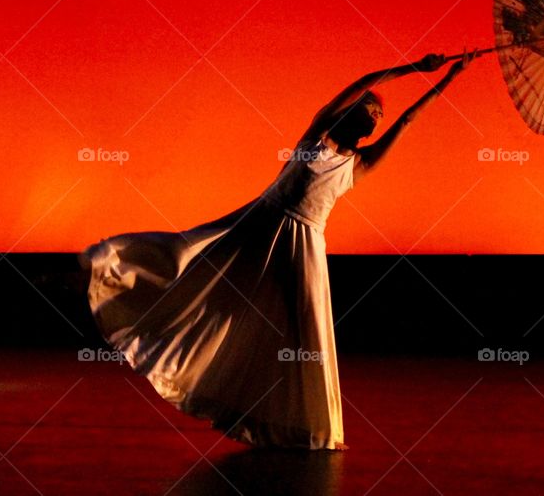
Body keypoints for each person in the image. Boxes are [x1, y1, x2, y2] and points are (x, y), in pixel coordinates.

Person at [79, 49, 479, 450]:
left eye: (379, 116)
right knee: (195, 264)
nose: (376, 117)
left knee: (306, 329)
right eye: (371, 109)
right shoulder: (315, 139)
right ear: (350, 111)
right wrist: (415, 69)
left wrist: (451, 78)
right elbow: (361, 85)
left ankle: (310, 427)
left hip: (303, 244)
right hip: (261, 224)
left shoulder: (359, 165)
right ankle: (123, 282)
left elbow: (408, 120)